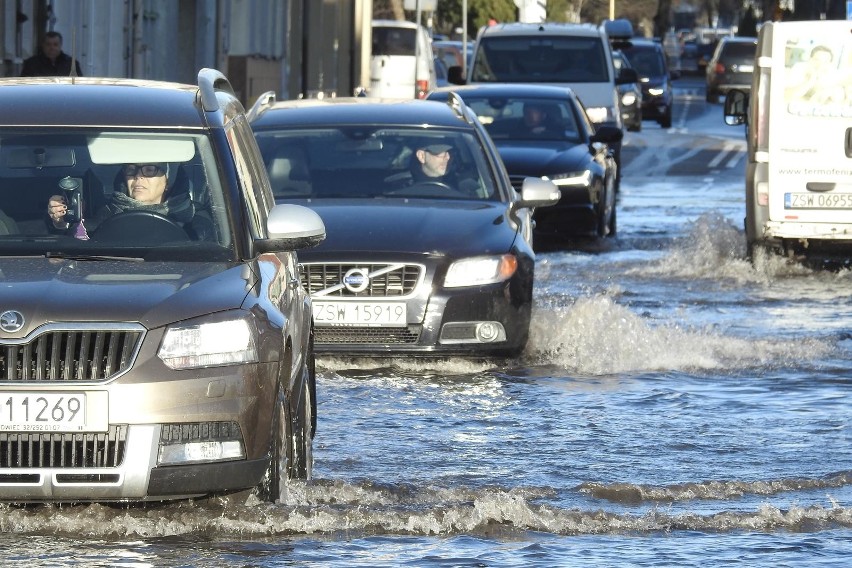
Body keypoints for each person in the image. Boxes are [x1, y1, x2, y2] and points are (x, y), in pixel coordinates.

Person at [47, 162, 213, 240]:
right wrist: (62, 224)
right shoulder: (107, 214)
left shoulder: (196, 219)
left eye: (149, 169)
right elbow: (80, 249)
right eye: (131, 169)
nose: (138, 176)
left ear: (168, 181)